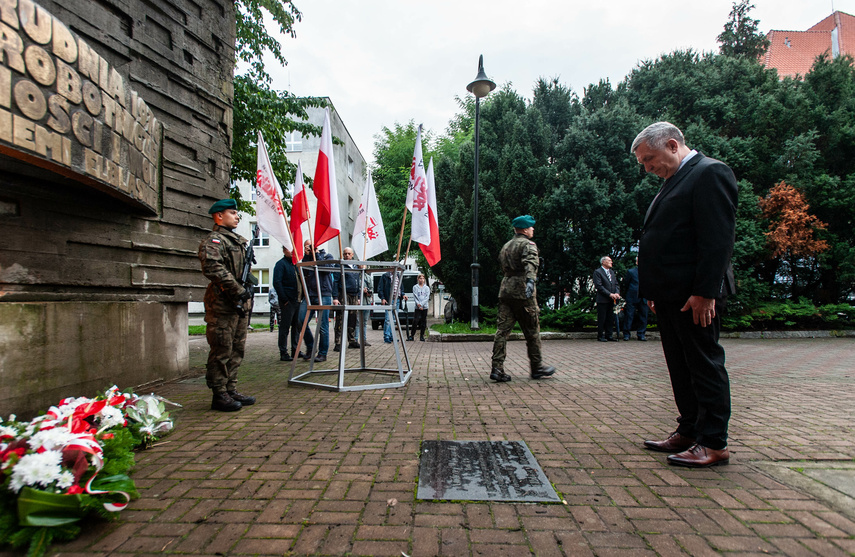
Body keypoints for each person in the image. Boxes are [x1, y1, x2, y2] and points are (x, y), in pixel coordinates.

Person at [632, 121, 737, 468]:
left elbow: (717, 239)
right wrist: (653, 290)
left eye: (650, 159)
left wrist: (706, 292)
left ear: (673, 145)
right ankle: (689, 430)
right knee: (680, 367)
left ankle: (713, 442)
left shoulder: (709, 173)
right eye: (643, 163)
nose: (647, 168)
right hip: (670, 295)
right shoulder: (673, 180)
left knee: (703, 365)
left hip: (695, 296)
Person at [197, 199, 256, 412]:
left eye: (237, 213)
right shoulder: (214, 241)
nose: (237, 216)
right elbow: (213, 268)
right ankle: (219, 393)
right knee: (221, 349)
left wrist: (246, 289)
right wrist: (238, 290)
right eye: (233, 212)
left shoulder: (238, 241)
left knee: (237, 349)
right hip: (223, 303)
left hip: (239, 304)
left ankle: (231, 389)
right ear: (219, 216)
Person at [490, 215, 556, 382]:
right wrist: (530, 281)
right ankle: (537, 367)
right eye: (531, 227)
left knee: (502, 332)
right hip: (522, 292)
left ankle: (497, 368)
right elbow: (531, 263)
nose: (533, 230)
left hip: (505, 291)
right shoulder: (528, 244)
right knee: (532, 331)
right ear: (525, 229)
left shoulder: (506, 246)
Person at [297, 240, 336, 362]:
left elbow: (326, 270)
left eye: (310, 245)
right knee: (300, 321)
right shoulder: (306, 258)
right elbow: (303, 271)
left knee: (323, 326)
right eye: (306, 246)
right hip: (309, 295)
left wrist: (317, 254)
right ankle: (310, 346)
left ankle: (322, 353)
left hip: (323, 295)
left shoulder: (327, 256)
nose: (308, 247)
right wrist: (308, 256)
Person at [273, 245, 301, 361]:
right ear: (284, 250)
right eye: (289, 249)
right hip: (288, 302)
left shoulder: (295, 265)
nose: (292, 251)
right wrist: (284, 299)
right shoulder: (281, 264)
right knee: (285, 327)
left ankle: (295, 350)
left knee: (296, 327)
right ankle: (283, 352)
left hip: (298, 300)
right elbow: (277, 282)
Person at [333, 247, 361, 351]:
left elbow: (358, 281)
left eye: (349, 254)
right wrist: (335, 297)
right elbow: (335, 281)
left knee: (353, 318)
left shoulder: (355, 266)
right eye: (345, 254)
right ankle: (338, 342)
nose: (347, 256)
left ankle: (352, 340)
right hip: (343, 294)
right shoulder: (339, 265)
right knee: (341, 318)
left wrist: (358, 297)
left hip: (354, 295)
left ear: (352, 254)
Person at [593, 256, 621, 342]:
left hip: (612, 300)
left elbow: (616, 284)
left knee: (610, 318)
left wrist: (616, 293)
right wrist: (609, 294)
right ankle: (600, 335)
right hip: (603, 299)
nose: (611, 262)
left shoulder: (612, 272)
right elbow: (599, 286)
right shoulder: (598, 272)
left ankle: (609, 335)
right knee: (602, 318)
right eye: (609, 260)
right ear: (603, 262)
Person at [623, 257, 648, 341]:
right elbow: (626, 284)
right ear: (636, 262)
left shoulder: (647, 272)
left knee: (643, 316)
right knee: (629, 315)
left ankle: (641, 334)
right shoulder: (631, 272)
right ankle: (626, 334)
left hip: (644, 297)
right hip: (632, 297)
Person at [378, 269, 406, 343]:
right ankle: (386, 336)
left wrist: (403, 294)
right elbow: (380, 288)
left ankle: (391, 336)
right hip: (389, 299)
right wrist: (383, 298)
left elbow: (401, 288)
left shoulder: (398, 276)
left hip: (397, 300)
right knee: (388, 319)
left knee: (394, 319)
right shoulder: (385, 276)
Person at [411, 273, 430, 341]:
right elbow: (415, 296)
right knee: (415, 321)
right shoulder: (415, 287)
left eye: (423, 278)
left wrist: (421, 304)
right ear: (418, 279)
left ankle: (422, 335)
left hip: (424, 307)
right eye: (420, 278)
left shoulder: (427, 288)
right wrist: (418, 305)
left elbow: (427, 297)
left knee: (423, 321)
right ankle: (412, 335)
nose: (421, 280)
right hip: (417, 307)